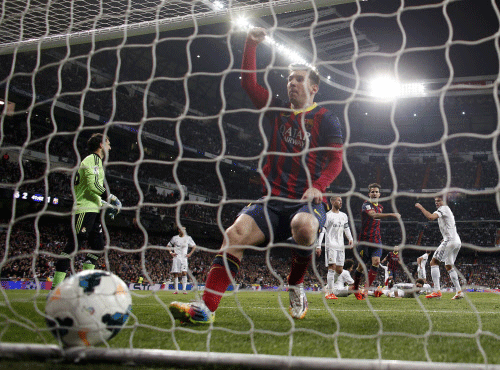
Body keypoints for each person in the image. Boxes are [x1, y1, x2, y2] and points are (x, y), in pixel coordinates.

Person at [169, 26, 344, 323]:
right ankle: (206, 309)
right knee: (234, 233)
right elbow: (249, 84)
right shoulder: (277, 109)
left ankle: (295, 283)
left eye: (298, 79)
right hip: (273, 199)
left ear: (313, 87)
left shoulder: (326, 118)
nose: (291, 83)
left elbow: (336, 161)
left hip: (307, 202)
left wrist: (318, 186)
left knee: (304, 226)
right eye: (289, 78)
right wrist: (250, 44)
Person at [51, 134, 122, 289]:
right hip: (84, 209)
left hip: (93, 209)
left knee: (97, 246)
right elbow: (92, 186)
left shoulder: (97, 162)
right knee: (74, 245)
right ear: (101, 145)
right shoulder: (93, 160)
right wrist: (110, 197)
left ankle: (85, 285)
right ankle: (56, 286)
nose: (110, 147)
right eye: (108, 144)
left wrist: (106, 204)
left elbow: (93, 191)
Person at [352, 183, 401, 300]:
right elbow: (374, 216)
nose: (374, 193)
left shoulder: (380, 207)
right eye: (372, 192)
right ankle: (355, 287)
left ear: (379, 194)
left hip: (377, 240)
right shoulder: (366, 205)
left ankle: (366, 289)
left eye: (376, 192)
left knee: (376, 262)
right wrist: (392, 214)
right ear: (369, 194)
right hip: (365, 240)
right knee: (360, 266)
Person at [415, 196, 464, 300]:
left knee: (433, 262)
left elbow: (431, 217)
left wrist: (421, 208)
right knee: (449, 266)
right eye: (435, 201)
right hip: (456, 240)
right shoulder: (447, 210)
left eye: (439, 201)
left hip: (450, 240)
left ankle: (437, 291)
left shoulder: (443, 209)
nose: (437, 203)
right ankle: (459, 291)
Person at [315, 196, 353, 299]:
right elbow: (322, 231)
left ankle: (328, 287)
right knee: (332, 268)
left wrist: (350, 238)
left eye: (341, 201)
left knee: (339, 270)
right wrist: (318, 246)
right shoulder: (327, 216)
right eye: (338, 200)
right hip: (330, 245)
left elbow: (346, 228)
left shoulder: (344, 215)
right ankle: (330, 293)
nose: (341, 202)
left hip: (340, 245)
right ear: (332, 202)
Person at [168, 227, 197, 294]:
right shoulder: (175, 238)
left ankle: (184, 290)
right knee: (175, 273)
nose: (184, 231)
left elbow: (194, 246)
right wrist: (171, 253)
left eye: (184, 230)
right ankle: (176, 290)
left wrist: (190, 254)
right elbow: (168, 245)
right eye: (182, 229)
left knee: (184, 273)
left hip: (184, 258)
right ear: (179, 230)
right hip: (176, 257)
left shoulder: (188, 238)